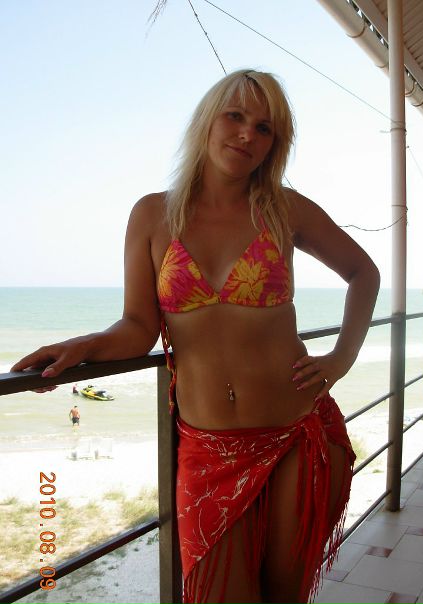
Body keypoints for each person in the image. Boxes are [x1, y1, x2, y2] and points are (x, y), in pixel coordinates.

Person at [11, 69, 380, 603]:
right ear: (208, 120)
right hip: (207, 449)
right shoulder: (152, 214)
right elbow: (138, 326)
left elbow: (363, 272)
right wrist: (83, 348)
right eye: (236, 116)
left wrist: (342, 357)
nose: (247, 134)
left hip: (296, 433)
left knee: (284, 597)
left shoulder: (284, 208)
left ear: (274, 143)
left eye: (264, 127)